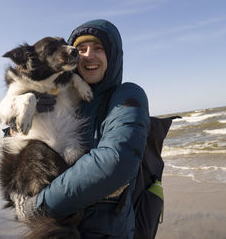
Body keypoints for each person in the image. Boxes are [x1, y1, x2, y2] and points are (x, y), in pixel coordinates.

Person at [16, 19, 150, 238]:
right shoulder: (64, 97)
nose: (88, 55)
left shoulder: (127, 95)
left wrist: (37, 206)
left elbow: (115, 162)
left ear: (113, 56)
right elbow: (23, 147)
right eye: (81, 49)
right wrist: (17, 122)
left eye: (99, 49)